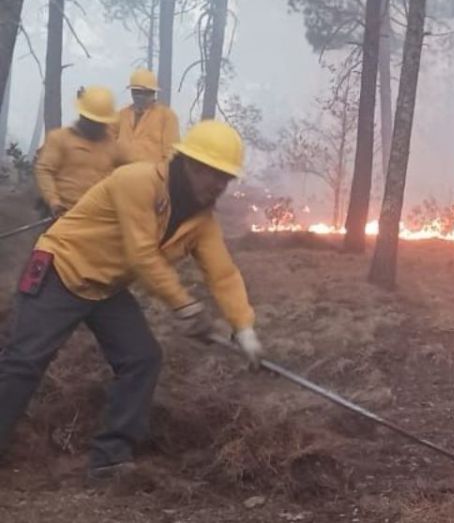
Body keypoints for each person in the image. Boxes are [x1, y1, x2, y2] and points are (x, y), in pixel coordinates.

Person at [0, 120, 264, 479]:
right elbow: (141, 255)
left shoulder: (201, 222)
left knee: (142, 358)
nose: (221, 185)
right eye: (214, 174)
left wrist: (243, 327)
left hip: (104, 287)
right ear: (190, 164)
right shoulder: (138, 182)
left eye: (226, 178)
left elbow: (223, 273)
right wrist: (185, 306)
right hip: (60, 268)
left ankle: (110, 457)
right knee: (24, 362)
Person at [34, 86, 122, 216]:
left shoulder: (112, 145)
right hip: (62, 212)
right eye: (93, 121)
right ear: (83, 117)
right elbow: (44, 170)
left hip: (95, 215)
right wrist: (54, 202)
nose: (97, 126)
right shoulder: (59, 138)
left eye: (101, 122)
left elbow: (128, 169)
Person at [114, 67, 180, 164]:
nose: (140, 96)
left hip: (152, 175)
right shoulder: (121, 115)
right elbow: (107, 143)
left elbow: (171, 153)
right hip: (122, 173)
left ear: (153, 93)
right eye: (136, 92)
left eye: (145, 93)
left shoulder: (167, 116)